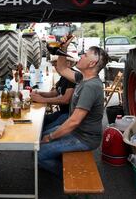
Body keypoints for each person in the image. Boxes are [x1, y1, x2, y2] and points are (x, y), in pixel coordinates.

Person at [38, 37, 109, 177]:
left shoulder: (91, 86)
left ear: (92, 63)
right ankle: (63, 160)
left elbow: (74, 121)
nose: (81, 56)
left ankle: (73, 175)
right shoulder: (83, 78)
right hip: (76, 132)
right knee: (41, 137)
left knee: (38, 153)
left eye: (85, 55)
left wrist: (51, 137)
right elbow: (62, 68)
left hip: (84, 138)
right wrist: (62, 49)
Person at [30, 56, 76, 131]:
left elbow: (65, 100)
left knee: (40, 130)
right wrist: (39, 94)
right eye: (54, 65)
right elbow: (55, 93)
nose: (56, 68)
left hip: (69, 115)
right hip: (62, 112)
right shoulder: (64, 77)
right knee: (37, 122)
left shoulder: (72, 77)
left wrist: (42, 99)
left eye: (57, 64)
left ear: (68, 64)